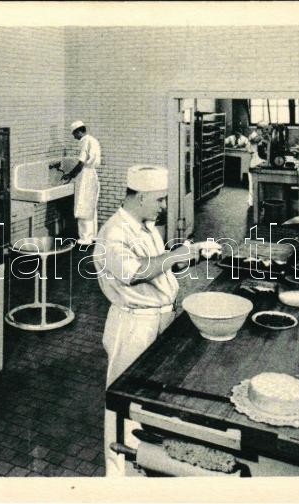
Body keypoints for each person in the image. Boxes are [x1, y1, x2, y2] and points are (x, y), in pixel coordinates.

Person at [93, 165, 209, 476]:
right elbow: (135, 273)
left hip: (158, 319)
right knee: (124, 407)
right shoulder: (113, 233)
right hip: (133, 326)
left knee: (152, 402)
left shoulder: (145, 226)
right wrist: (176, 255)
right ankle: (117, 478)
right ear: (141, 196)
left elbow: (159, 269)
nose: (164, 205)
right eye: (160, 199)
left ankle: (146, 467)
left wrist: (192, 253)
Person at [62, 120, 101, 245]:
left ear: (79, 131)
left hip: (85, 175)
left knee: (82, 205)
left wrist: (71, 174)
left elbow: (81, 162)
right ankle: (93, 235)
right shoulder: (94, 140)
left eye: (74, 134)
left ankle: (85, 238)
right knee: (91, 206)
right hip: (93, 174)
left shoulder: (85, 141)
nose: (74, 137)